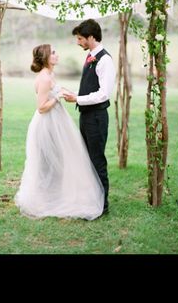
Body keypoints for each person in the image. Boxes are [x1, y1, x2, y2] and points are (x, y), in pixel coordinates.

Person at [14, 43, 104, 220]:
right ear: (46, 57)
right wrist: (58, 97)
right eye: (53, 53)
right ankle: (42, 199)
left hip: (56, 121)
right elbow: (41, 108)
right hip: (47, 124)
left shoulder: (50, 75)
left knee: (59, 160)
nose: (57, 55)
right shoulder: (45, 78)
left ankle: (55, 195)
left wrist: (62, 92)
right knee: (49, 161)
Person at [63, 19, 116, 215]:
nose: (78, 42)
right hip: (86, 117)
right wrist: (76, 95)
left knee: (97, 161)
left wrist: (77, 98)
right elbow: (90, 86)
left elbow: (104, 94)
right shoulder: (90, 56)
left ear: (91, 37)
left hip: (96, 118)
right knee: (87, 160)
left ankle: (102, 206)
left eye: (80, 38)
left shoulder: (105, 60)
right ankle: (91, 199)